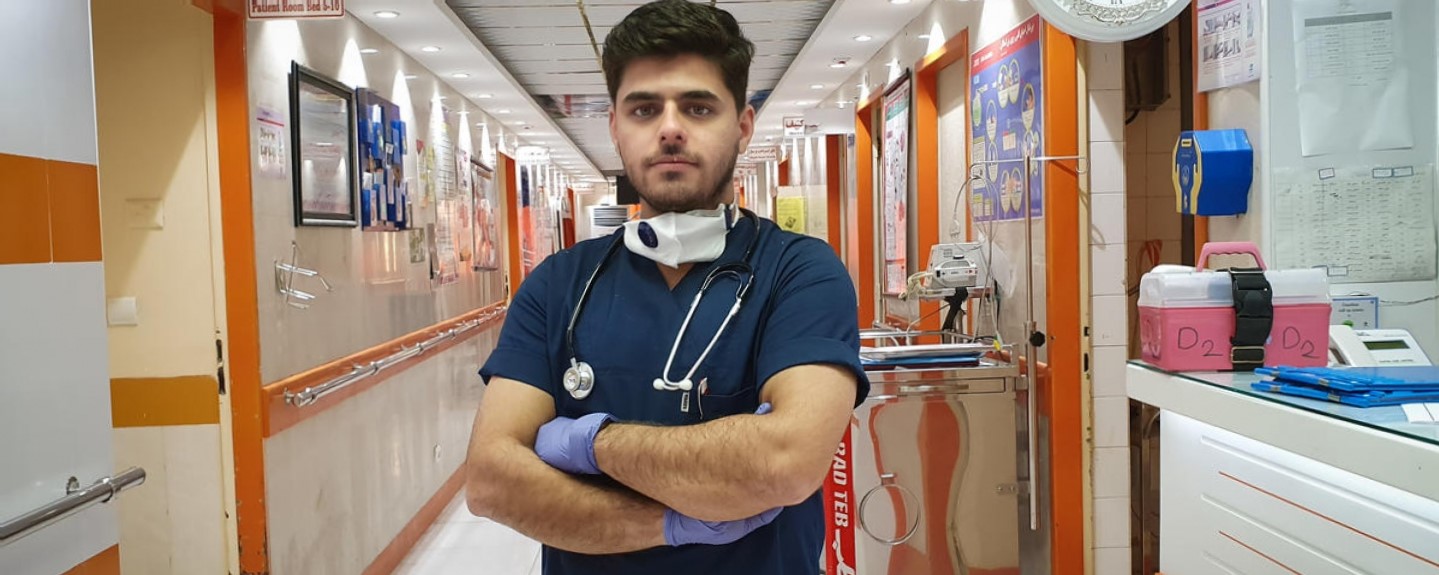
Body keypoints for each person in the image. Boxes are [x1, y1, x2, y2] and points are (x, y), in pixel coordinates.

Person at [463, 1, 869, 573]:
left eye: (699, 107)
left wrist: (587, 444)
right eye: (644, 108)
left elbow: (785, 462)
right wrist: (672, 522)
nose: (671, 128)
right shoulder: (559, 285)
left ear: (743, 125)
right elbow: (492, 481)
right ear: (615, 127)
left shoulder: (799, 272)